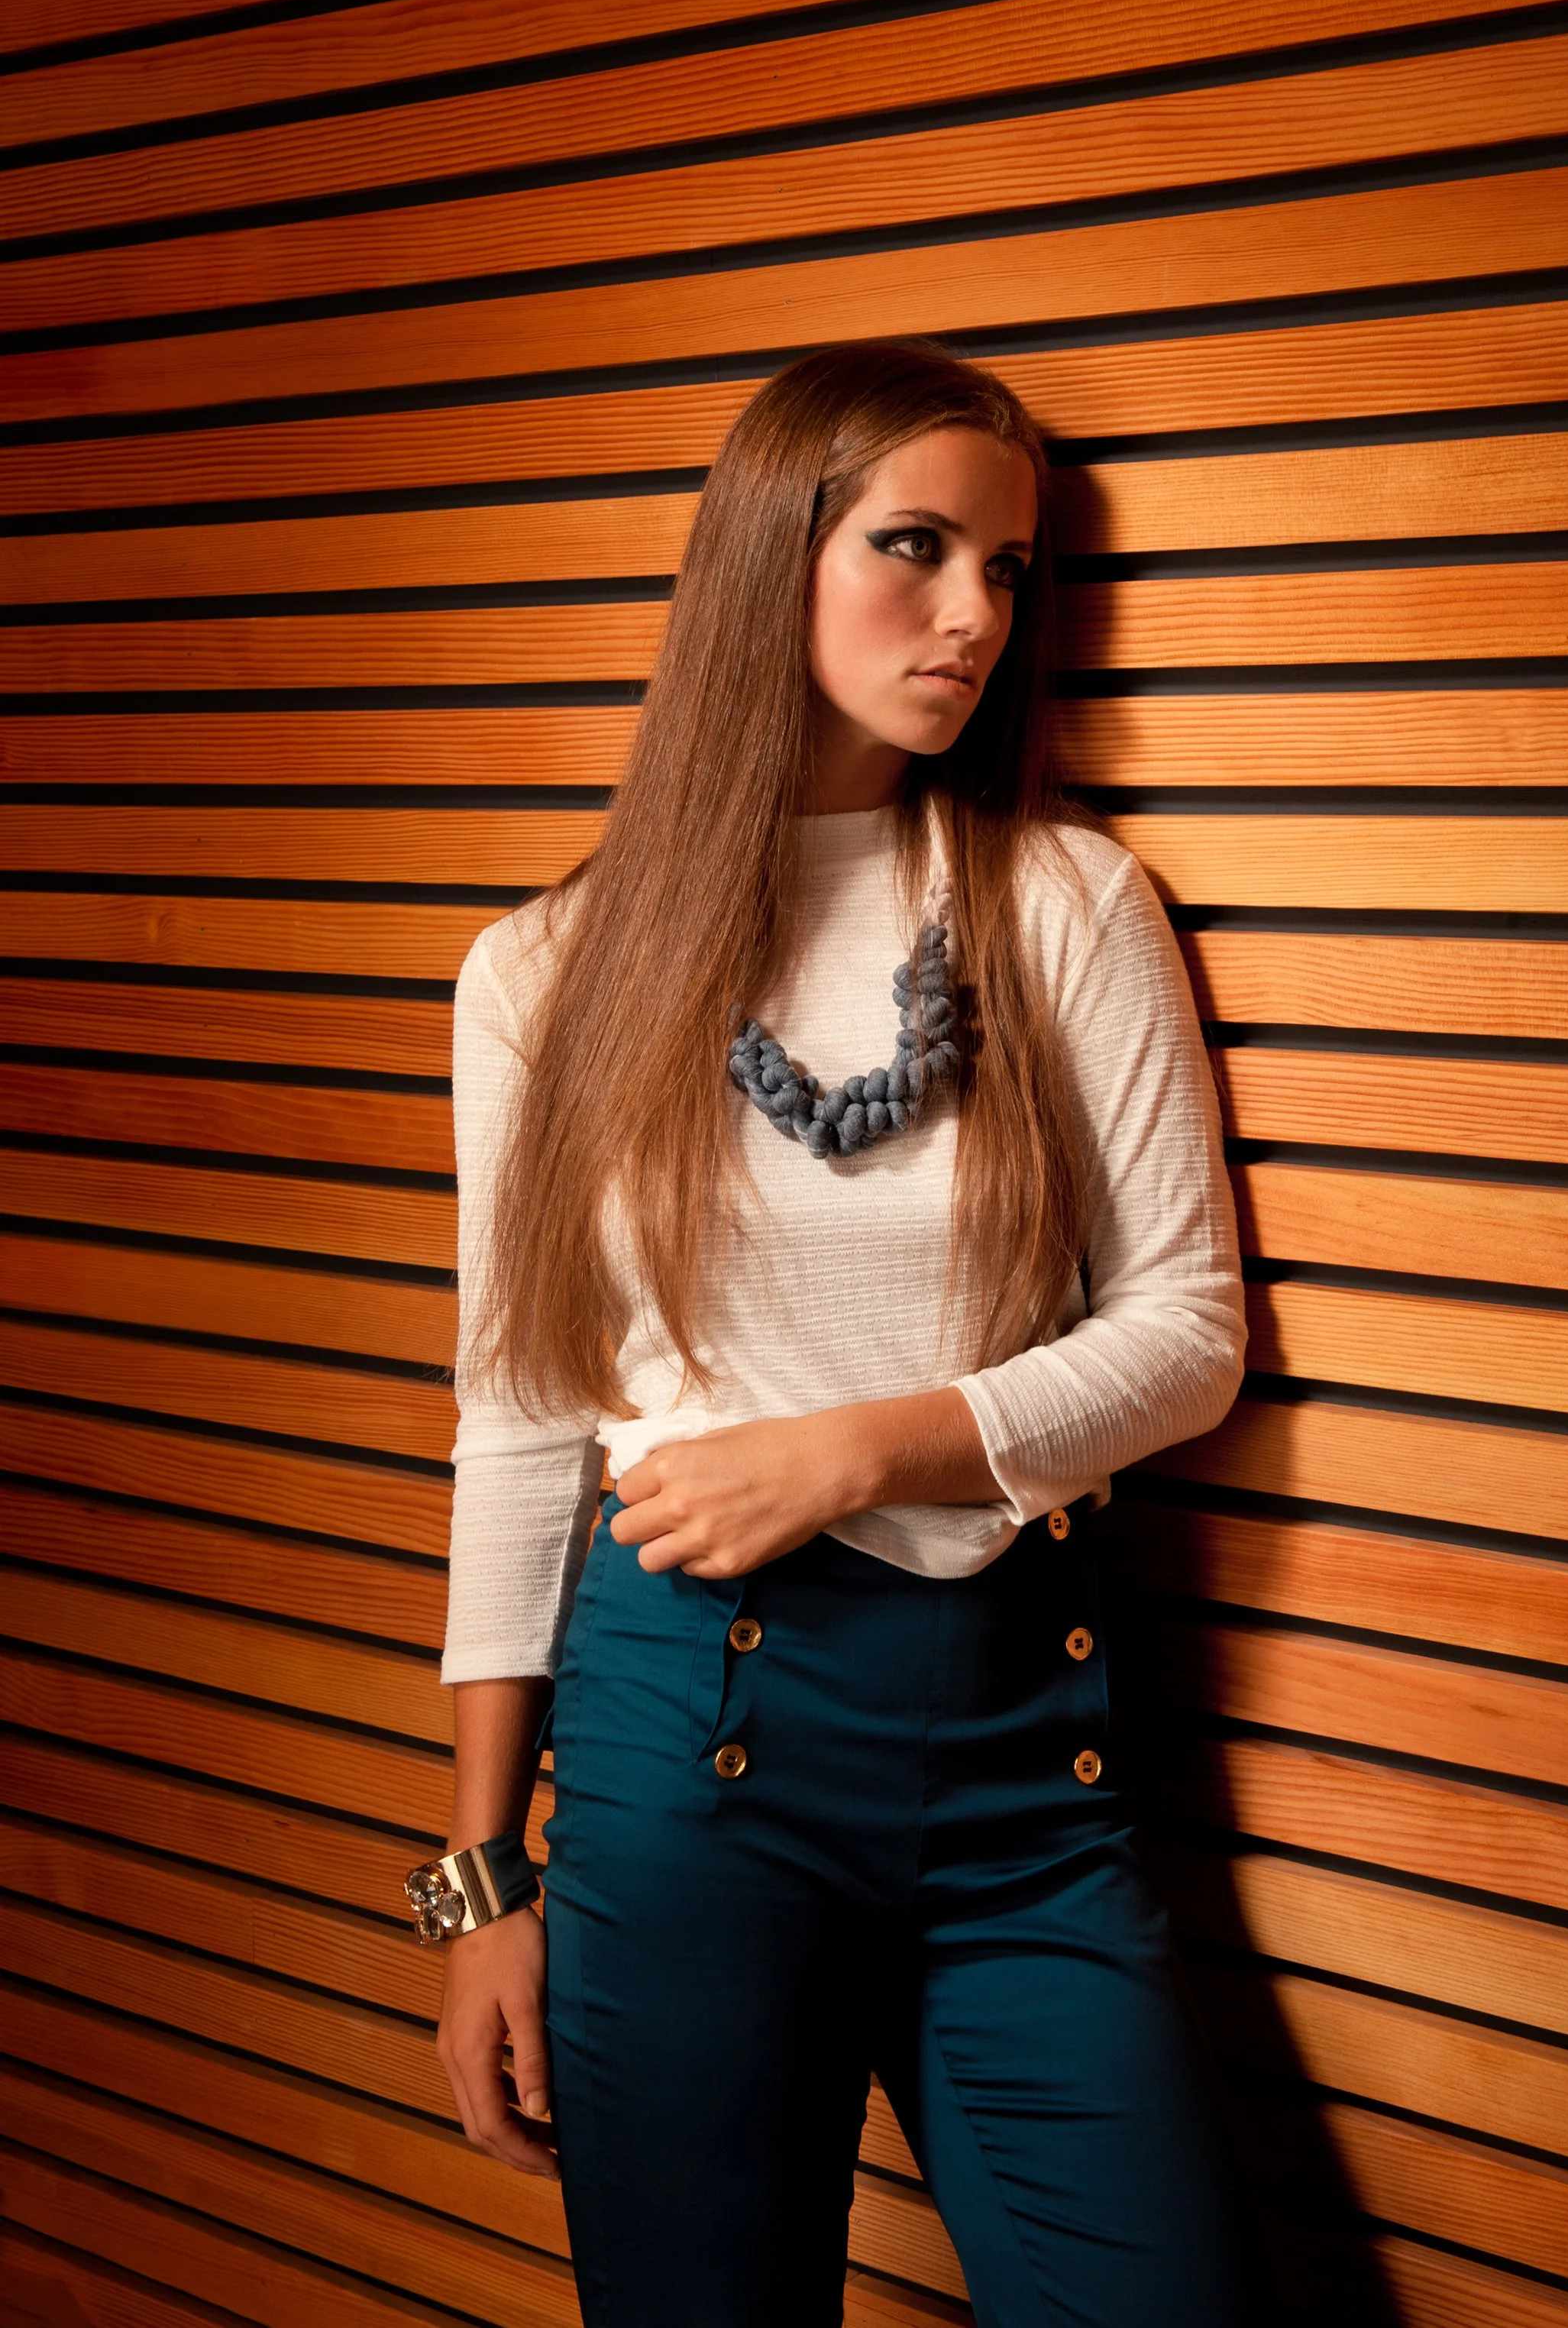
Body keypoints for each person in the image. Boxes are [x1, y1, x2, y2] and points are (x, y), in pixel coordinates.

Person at [425, 338, 1253, 2328]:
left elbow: (1188, 1331)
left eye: (1011, 566)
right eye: (914, 546)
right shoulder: (543, 966)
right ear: (768, 557)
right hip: (674, 1744)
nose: (971, 612)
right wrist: (479, 1879)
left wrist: (857, 1445)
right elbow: (523, 1414)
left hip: (1018, 1755)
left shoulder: (1065, 904)